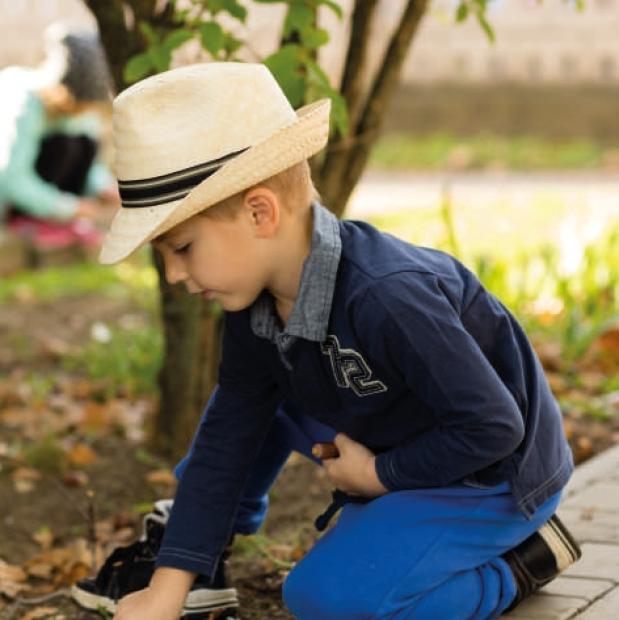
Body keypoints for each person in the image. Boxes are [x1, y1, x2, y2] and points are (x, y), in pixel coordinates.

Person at [72, 63, 581, 620]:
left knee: (324, 600)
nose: (173, 275)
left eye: (182, 248)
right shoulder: (253, 306)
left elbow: (494, 427)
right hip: (396, 440)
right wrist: (167, 590)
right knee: (251, 406)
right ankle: (204, 554)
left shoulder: (389, 297)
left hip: (490, 475)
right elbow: (227, 439)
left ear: (260, 212)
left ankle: (518, 564)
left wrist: (378, 476)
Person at [0, 22, 117, 253]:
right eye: (75, 105)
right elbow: (11, 176)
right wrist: (68, 207)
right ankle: (31, 222)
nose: (80, 113)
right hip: (15, 202)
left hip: (58, 199)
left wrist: (103, 186)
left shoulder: (83, 112)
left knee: (83, 142)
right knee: (65, 146)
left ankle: (59, 223)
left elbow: (89, 164)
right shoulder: (24, 101)